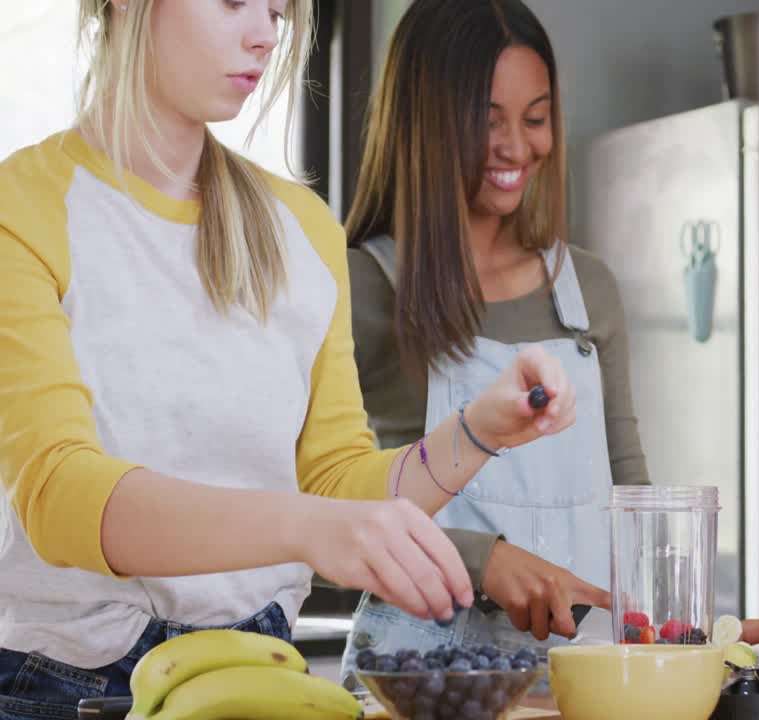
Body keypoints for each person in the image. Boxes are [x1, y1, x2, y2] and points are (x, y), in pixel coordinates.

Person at [0, 1, 576, 716]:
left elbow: (336, 481)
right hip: (64, 687)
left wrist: (479, 432)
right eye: (236, 2)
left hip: (259, 667)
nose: (266, 34)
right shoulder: (23, 208)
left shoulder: (302, 229)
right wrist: (310, 528)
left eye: (278, 10)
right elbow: (61, 496)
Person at [338, 0, 651, 683]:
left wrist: (691, 632)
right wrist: (484, 559)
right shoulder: (359, 286)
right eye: (487, 121)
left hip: (585, 678)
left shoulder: (586, 287)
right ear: (428, 122)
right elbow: (327, 508)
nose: (518, 147)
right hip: (425, 683)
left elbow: (632, 499)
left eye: (535, 119)